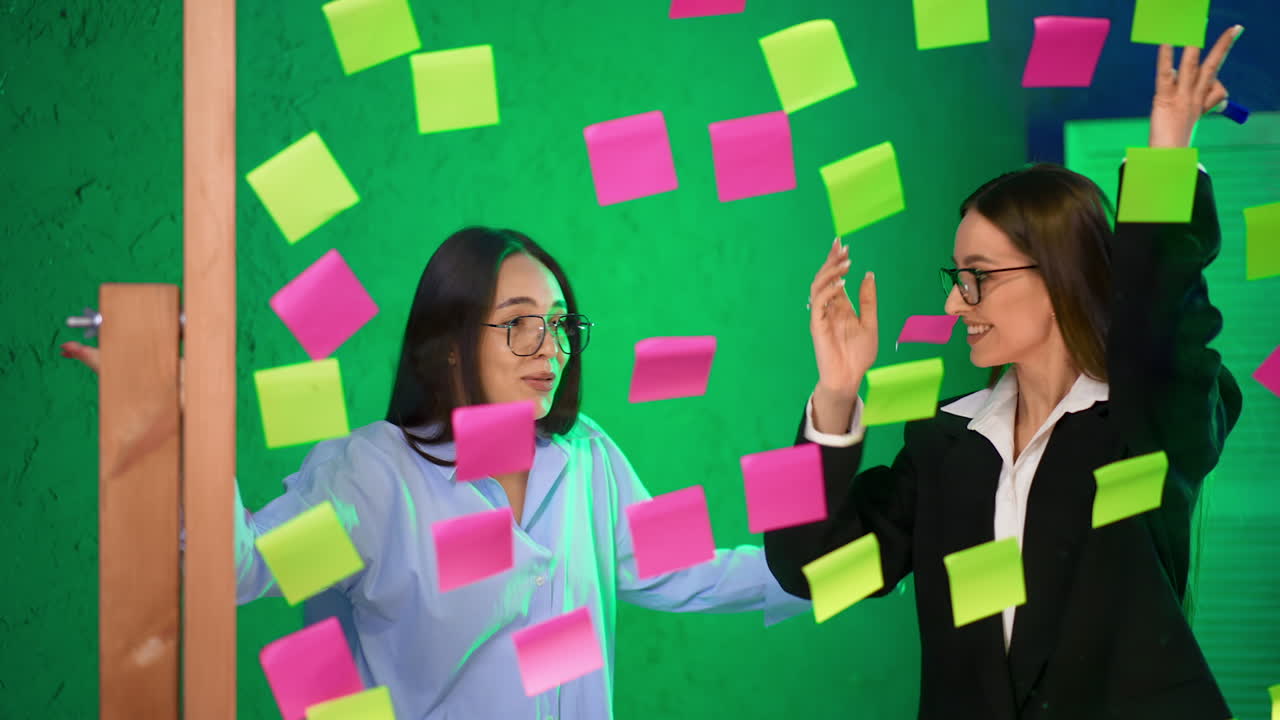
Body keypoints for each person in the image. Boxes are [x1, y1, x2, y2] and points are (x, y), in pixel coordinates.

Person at [66, 226, 807, 719]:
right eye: (519, 321)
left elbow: (695, 571)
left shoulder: (587, 457)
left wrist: (863, 558)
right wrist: (183, 426)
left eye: (560, 325)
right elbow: (240, 570)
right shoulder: (376, 475)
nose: (548, 347)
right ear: (452, 343)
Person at [764, 28, 1245, 720]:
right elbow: (811, 571)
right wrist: (837, 393)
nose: (953, 302)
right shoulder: (945, 444)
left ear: (1058, 277)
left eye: (977, 278)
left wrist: (1167, 149)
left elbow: (1162, 314)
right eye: (956, 278)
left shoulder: (1155, 419)